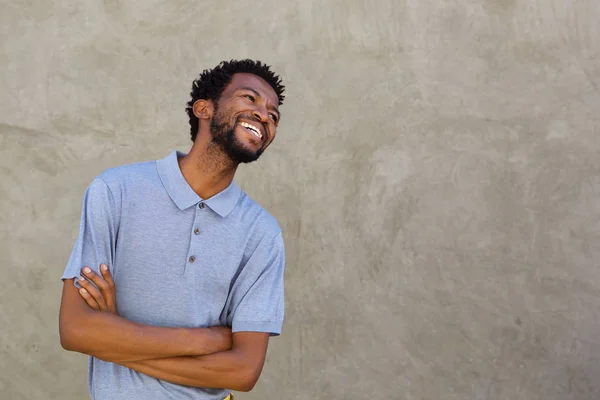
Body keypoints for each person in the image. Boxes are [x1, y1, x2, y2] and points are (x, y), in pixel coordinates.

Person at [58, 59, 287, 400]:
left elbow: (243, 371)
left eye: (274, 114)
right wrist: (202, 340)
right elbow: (75, 330)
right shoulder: (116, 190)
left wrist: (114, 338)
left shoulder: (262, 234)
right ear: (203, 108)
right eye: (250, 99)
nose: (265, 115)